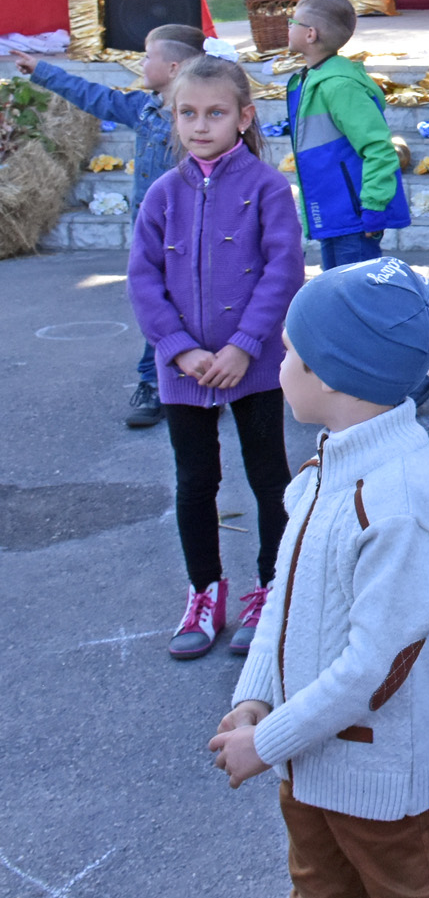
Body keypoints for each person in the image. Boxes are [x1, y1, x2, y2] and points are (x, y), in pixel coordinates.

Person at [208, 258, 429, 898]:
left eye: (289, 354)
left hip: (378, 779)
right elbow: (285, 595)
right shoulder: (334, 464)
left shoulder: (397, 501)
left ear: (334, 373)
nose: (278, 365)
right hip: (309, 756)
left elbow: (370, 670)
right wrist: (256, 695)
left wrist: (265, 744)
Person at [128, 55, 303, 660]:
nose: (201, 126)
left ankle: (271, 590)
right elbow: (143, 279)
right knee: (195, 481)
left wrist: (243, 347)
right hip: (185, 371)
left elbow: (282, 272)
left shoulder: (267, 187)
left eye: (215, 113)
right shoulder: (163, 193)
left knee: (267, 477)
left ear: (243, 117)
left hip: (250, 365)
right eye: (187, 114)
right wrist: (177, 351)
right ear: (173, 117)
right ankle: (205, 593)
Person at [10, 22, 204, 427]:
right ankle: (152, 384)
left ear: (172, 67)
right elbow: (95, 97)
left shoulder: (199, 120)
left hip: (194, 236)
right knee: (156, 309)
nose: (141, 63)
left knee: (195, 309)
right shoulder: (144, 110)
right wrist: (43, 70)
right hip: (152, 237)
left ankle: (200, 383)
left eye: (147, 56)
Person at [285, 0, 413, 266]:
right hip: (333, 212)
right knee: (336, 295)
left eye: (291, 21)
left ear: (310, 34)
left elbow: (379, 148)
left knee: (355, 297)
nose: (288, 26)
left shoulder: (341, 87)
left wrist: (374, 206)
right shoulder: (312, 79)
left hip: (354, 216)